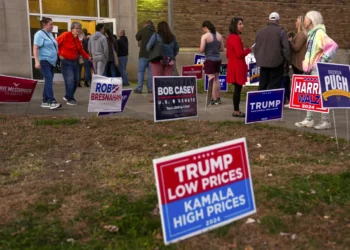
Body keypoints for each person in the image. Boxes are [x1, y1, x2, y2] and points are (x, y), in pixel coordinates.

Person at [295, 11, 338, 130]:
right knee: (310, 94)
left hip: (316, 69)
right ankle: (309, 119)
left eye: (306, 18)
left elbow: (333, 46)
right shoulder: (312, 34)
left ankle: (325, 121)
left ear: (312, 20)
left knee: (321, 94)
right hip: (310, 69)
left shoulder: (319, 33)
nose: (304, 20)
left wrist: (322, 61)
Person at [56, 21, 90, 105]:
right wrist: (59, 54)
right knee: (70, 80)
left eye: (79, 28)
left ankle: (68, 95)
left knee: (76, 80)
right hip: (66, 61)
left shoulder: (78, 38)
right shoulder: (66, 35)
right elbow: (55, 43)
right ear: (72, 29)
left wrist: (88, 57)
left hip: (75, 61)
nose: (78, 30)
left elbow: (80, 50)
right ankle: (70, 99)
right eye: (76, 28)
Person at [254, 12, 290, 90]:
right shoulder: (281, 31)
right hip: (276, 64)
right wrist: (286, 61)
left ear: (269, 20)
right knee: (274, 85)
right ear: (278, 21)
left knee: (262, 84)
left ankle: (260, 100)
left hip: (263, 64)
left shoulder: (260, 32)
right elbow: (286, 48)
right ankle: (271, 100)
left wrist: (258, 59)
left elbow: (256, 48)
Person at [33, 17, 61, 110]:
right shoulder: (39, 34)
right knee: (48, 79)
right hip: (44, 61)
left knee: (48, 81)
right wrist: (37, 61)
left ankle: (45, 101)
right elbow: (35, 48)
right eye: (51, 24)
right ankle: (51, 101)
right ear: (45, 25)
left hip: (51, 62)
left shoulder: (50, 34)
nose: (52, 26)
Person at [226, 17, 252, 117]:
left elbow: (228, 54)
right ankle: (236, 110)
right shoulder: (236, 38)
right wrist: (249, 49)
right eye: (240, 24)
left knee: (237, 88)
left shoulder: (229, 38)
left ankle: (236, 109)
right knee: (238, 89)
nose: (242, 26)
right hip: (238, 66)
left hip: (233, 65)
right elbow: (240, 53)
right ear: (235, 26)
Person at [200, 20, 224, 105]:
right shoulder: (219, 36)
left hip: (210, 59)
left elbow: (201, 50)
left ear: (205, 28)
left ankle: (213, 99)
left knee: (211, 79)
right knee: (216, 79)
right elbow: (222, 49)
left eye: (203, 29)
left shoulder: (205, 36)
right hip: (218, 59)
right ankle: (218, 98)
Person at [135, 20, 155, 94]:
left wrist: (143, 29)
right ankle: (150, 88)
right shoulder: (155, 32)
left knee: (141, 72)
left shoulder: (144, 30)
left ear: (146, 24)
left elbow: (137, 37)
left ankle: (139, 88)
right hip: (152, 56)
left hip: (143, 54)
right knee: (150, 73)